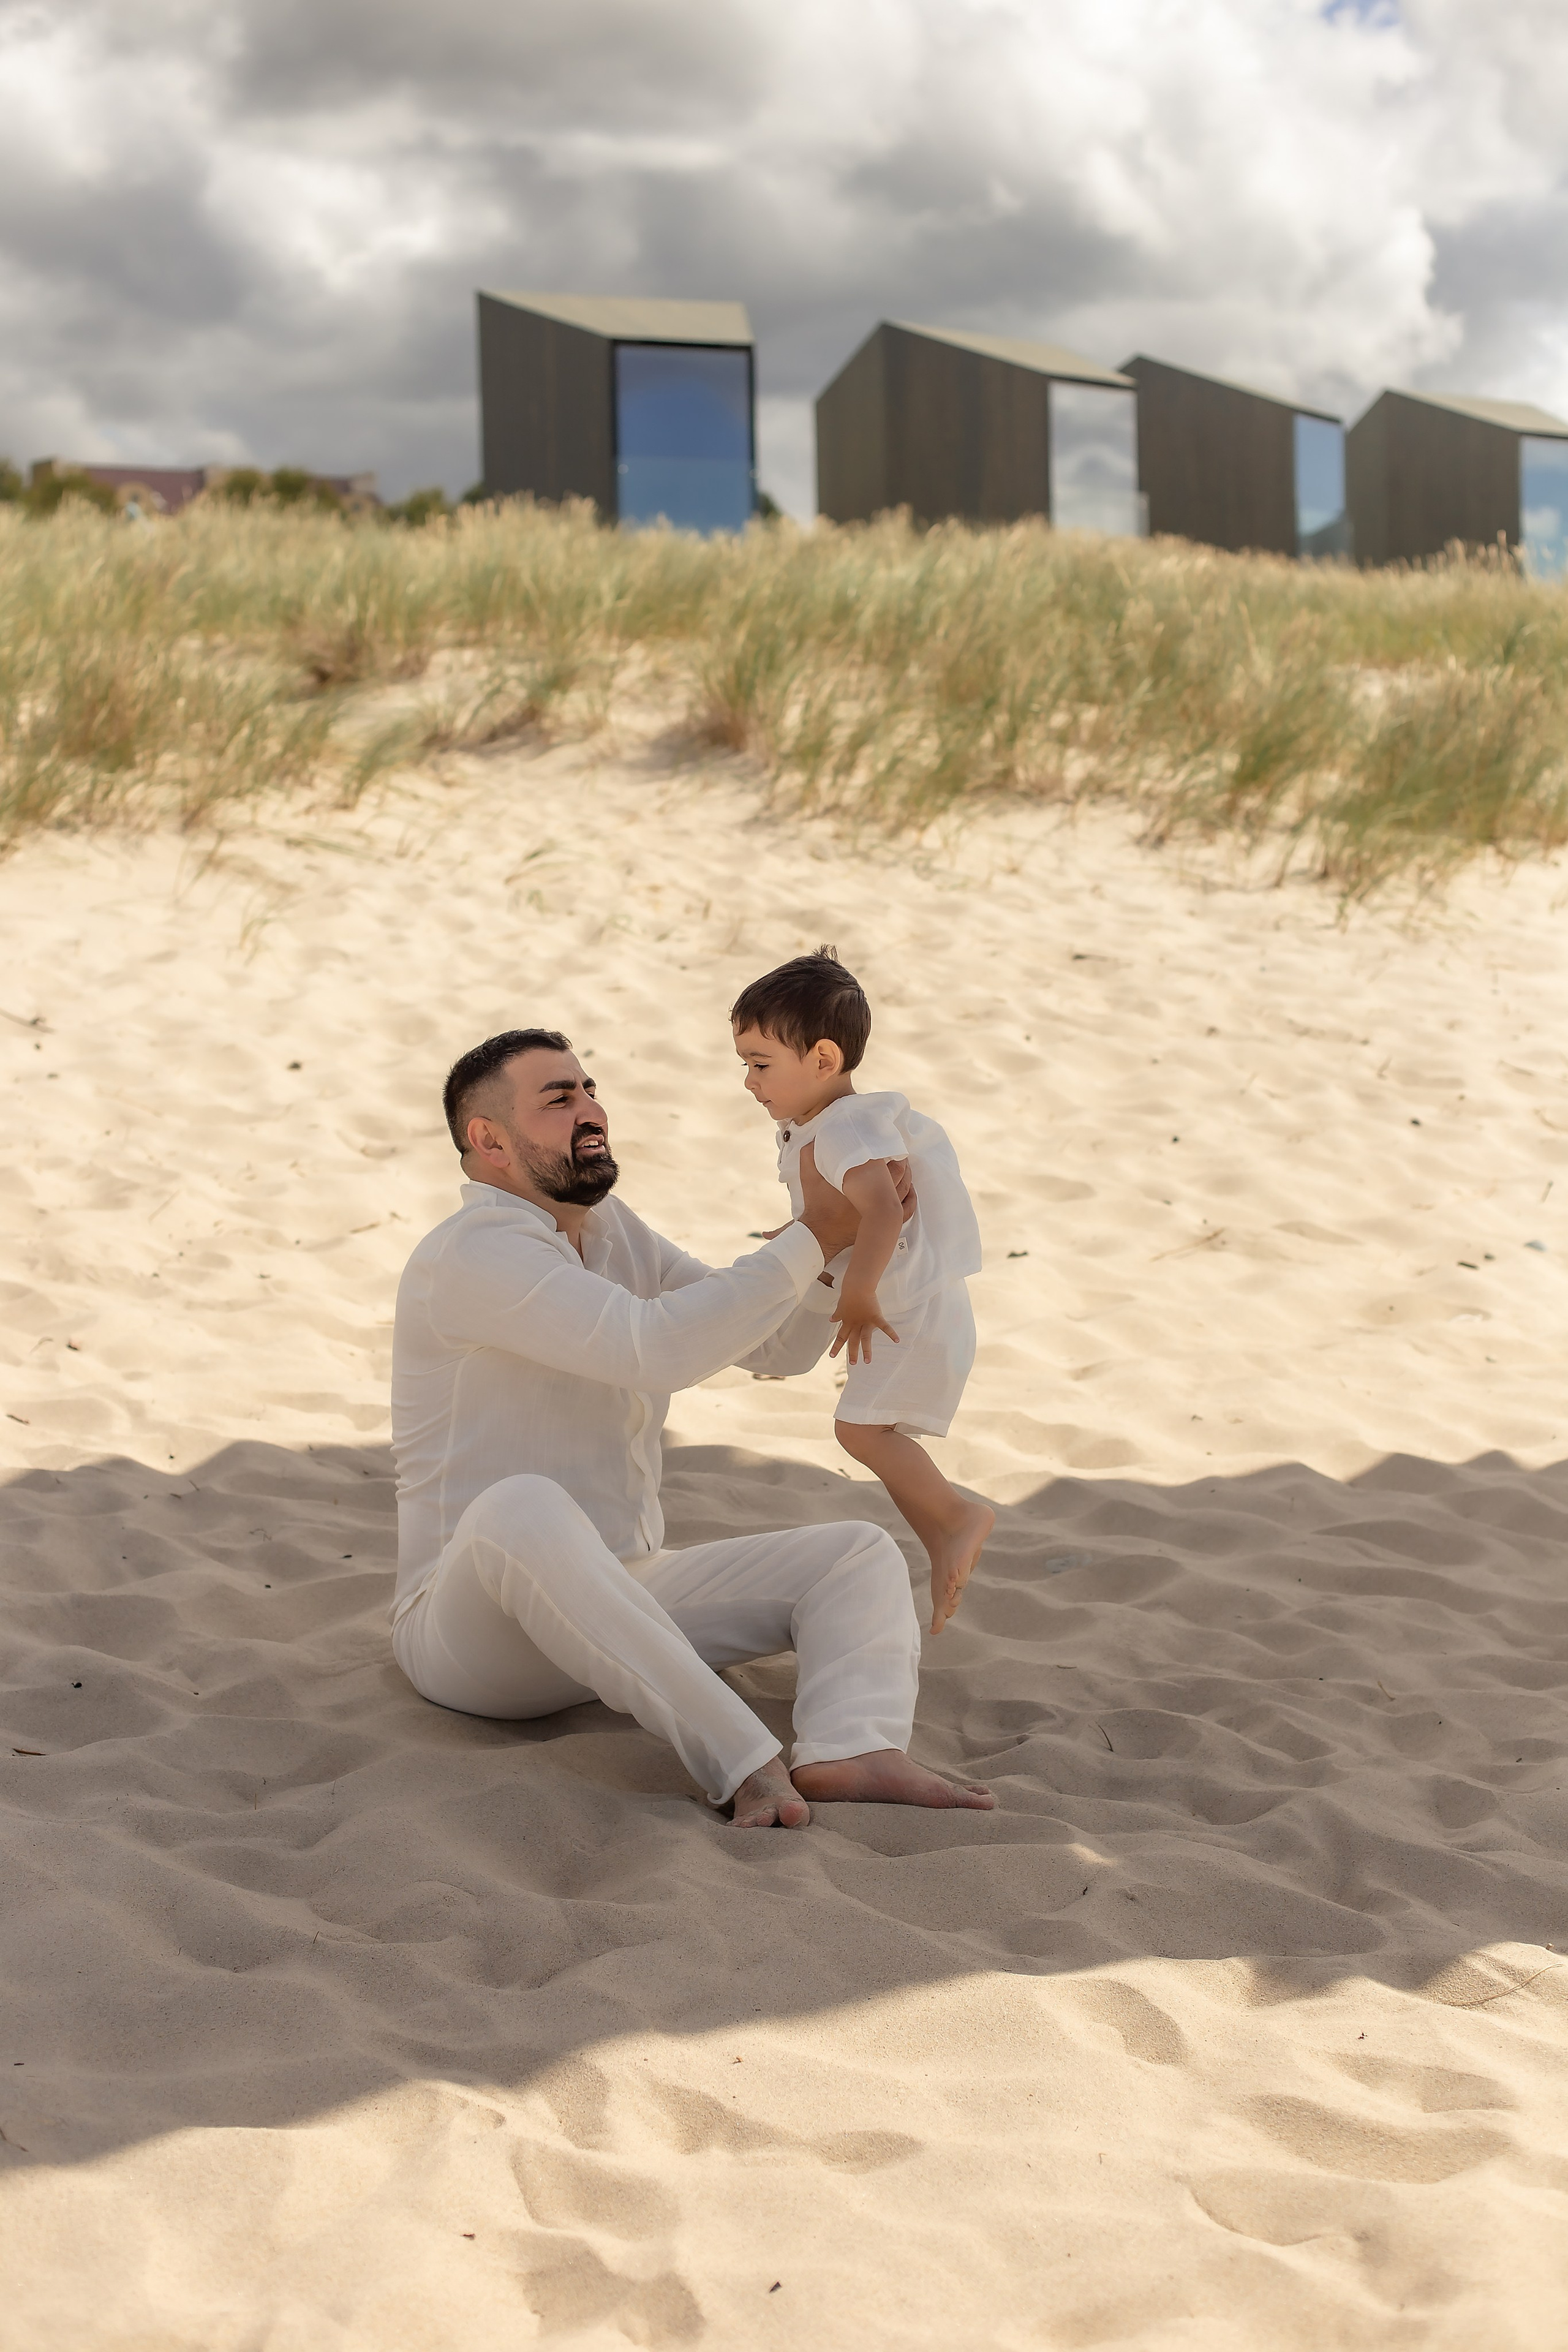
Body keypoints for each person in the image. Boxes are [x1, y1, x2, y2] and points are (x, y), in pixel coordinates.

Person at [390, 1027, 994, 1829]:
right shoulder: (472, 1253)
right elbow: (654, 1350)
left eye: (591, 1088)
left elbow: (776, 1348)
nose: (591, 1109)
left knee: (853, 1556)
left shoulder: (611, 1232)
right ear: (488, 1139)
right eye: (559, 1098)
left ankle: (852, 1746)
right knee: (518, 1507)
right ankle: (742, 1761)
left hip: (623, 1604)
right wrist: (814, 1233)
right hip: (474, 1641)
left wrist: (833, 1253)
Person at [731, 949, 993, 1638]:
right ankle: (941, 1533)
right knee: (866, 1427)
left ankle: (959, 1517)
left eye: (760, 1064)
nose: (749, 1082)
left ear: (822, 1059)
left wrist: (859, 1293)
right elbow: (841, 1206)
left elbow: (881, 1211)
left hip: (909, 1305)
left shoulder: (845, 1125)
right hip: (898, 1299)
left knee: (860, 1429)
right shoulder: (818, 1124)